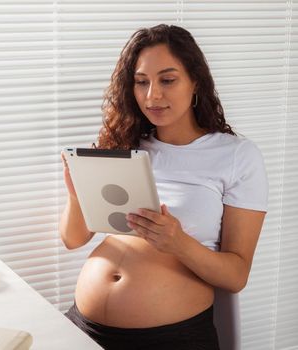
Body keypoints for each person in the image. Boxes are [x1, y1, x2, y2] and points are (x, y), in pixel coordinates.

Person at [59, 24, 268, 350]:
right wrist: (76, 195)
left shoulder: (237, 155)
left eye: (167, 80)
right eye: (141, 82)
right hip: (82, 328)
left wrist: (178, 242)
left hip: (169, 338)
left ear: (195, 81)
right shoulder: (122, 144)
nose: (152, 95)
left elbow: (236, 275)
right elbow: (73, 239)